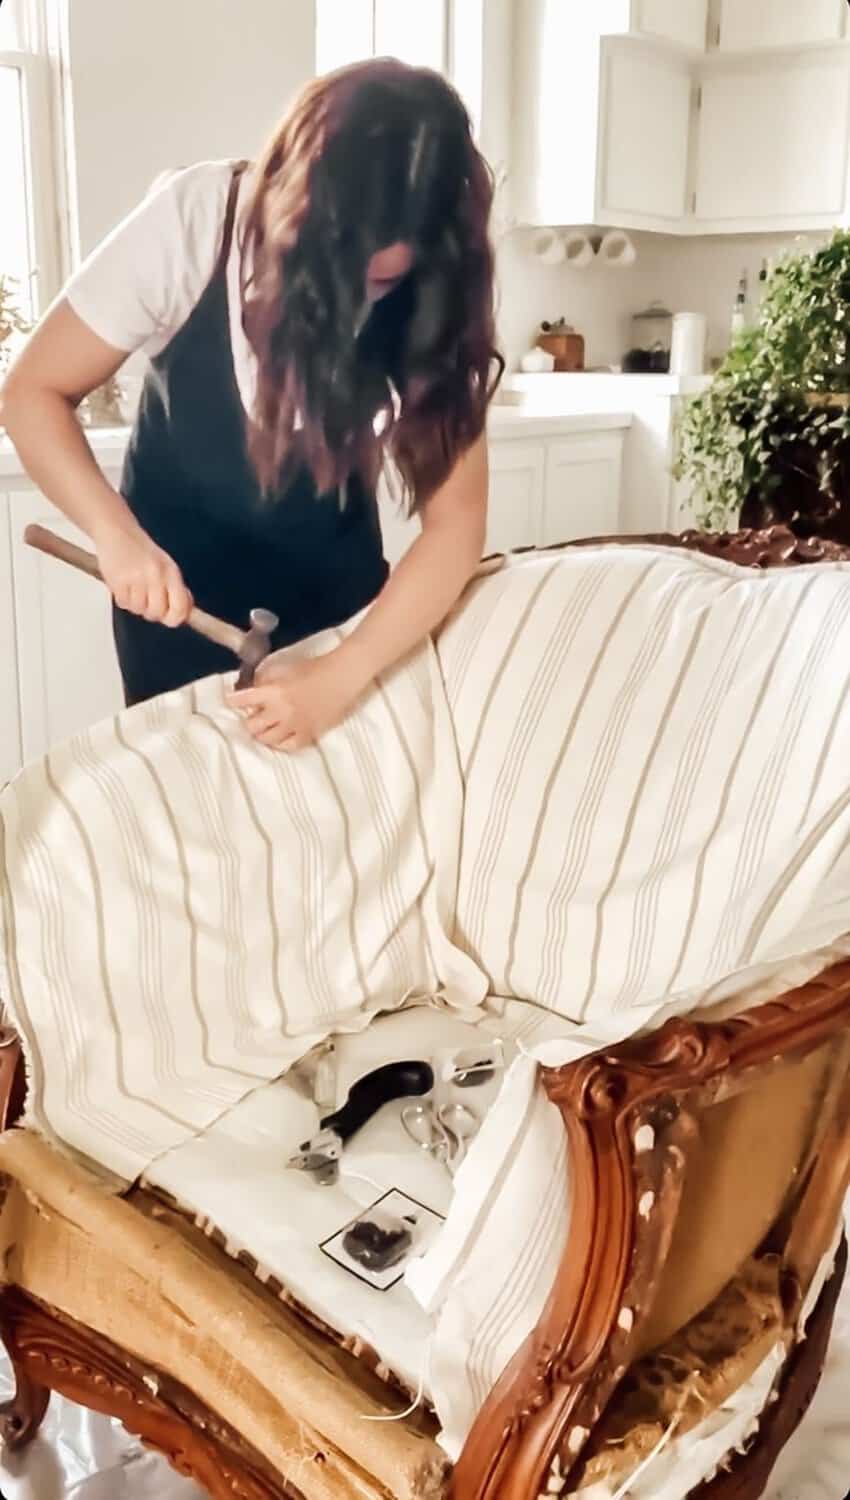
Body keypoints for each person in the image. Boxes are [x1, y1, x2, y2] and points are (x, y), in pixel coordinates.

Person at [0, 59, 502, 750]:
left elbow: (456, 529)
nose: (352, 299)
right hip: (176, 619)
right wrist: (116, 536)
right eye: (331, 268)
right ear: (291, 203)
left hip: (340, 621)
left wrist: (339, 676)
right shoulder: (194, 223)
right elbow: (32, 393)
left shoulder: (435, 298)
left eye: (381, 277)